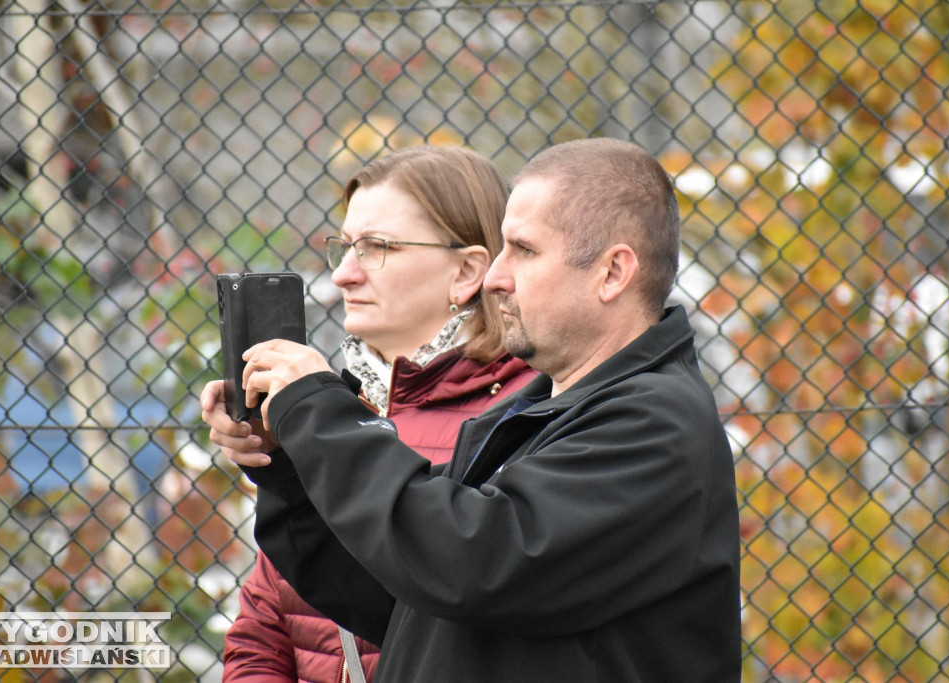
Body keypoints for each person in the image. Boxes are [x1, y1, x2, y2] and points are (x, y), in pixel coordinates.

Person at [204, 138, 742, 681]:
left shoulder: (654, 423)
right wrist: (291, 465)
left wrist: (318, 411)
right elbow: (408, 598)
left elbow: (473, 560)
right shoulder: (538, 414)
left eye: (524, 251)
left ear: (611, 273)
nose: (496, 276)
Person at [204, 146, 537, 681]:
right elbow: (263, 622)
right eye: (346, 247)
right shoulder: (331, 405)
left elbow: (461, 613)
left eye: (378, 247)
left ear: (468, 271)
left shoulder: (522, 415)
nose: (344, 276)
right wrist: (281, 455)